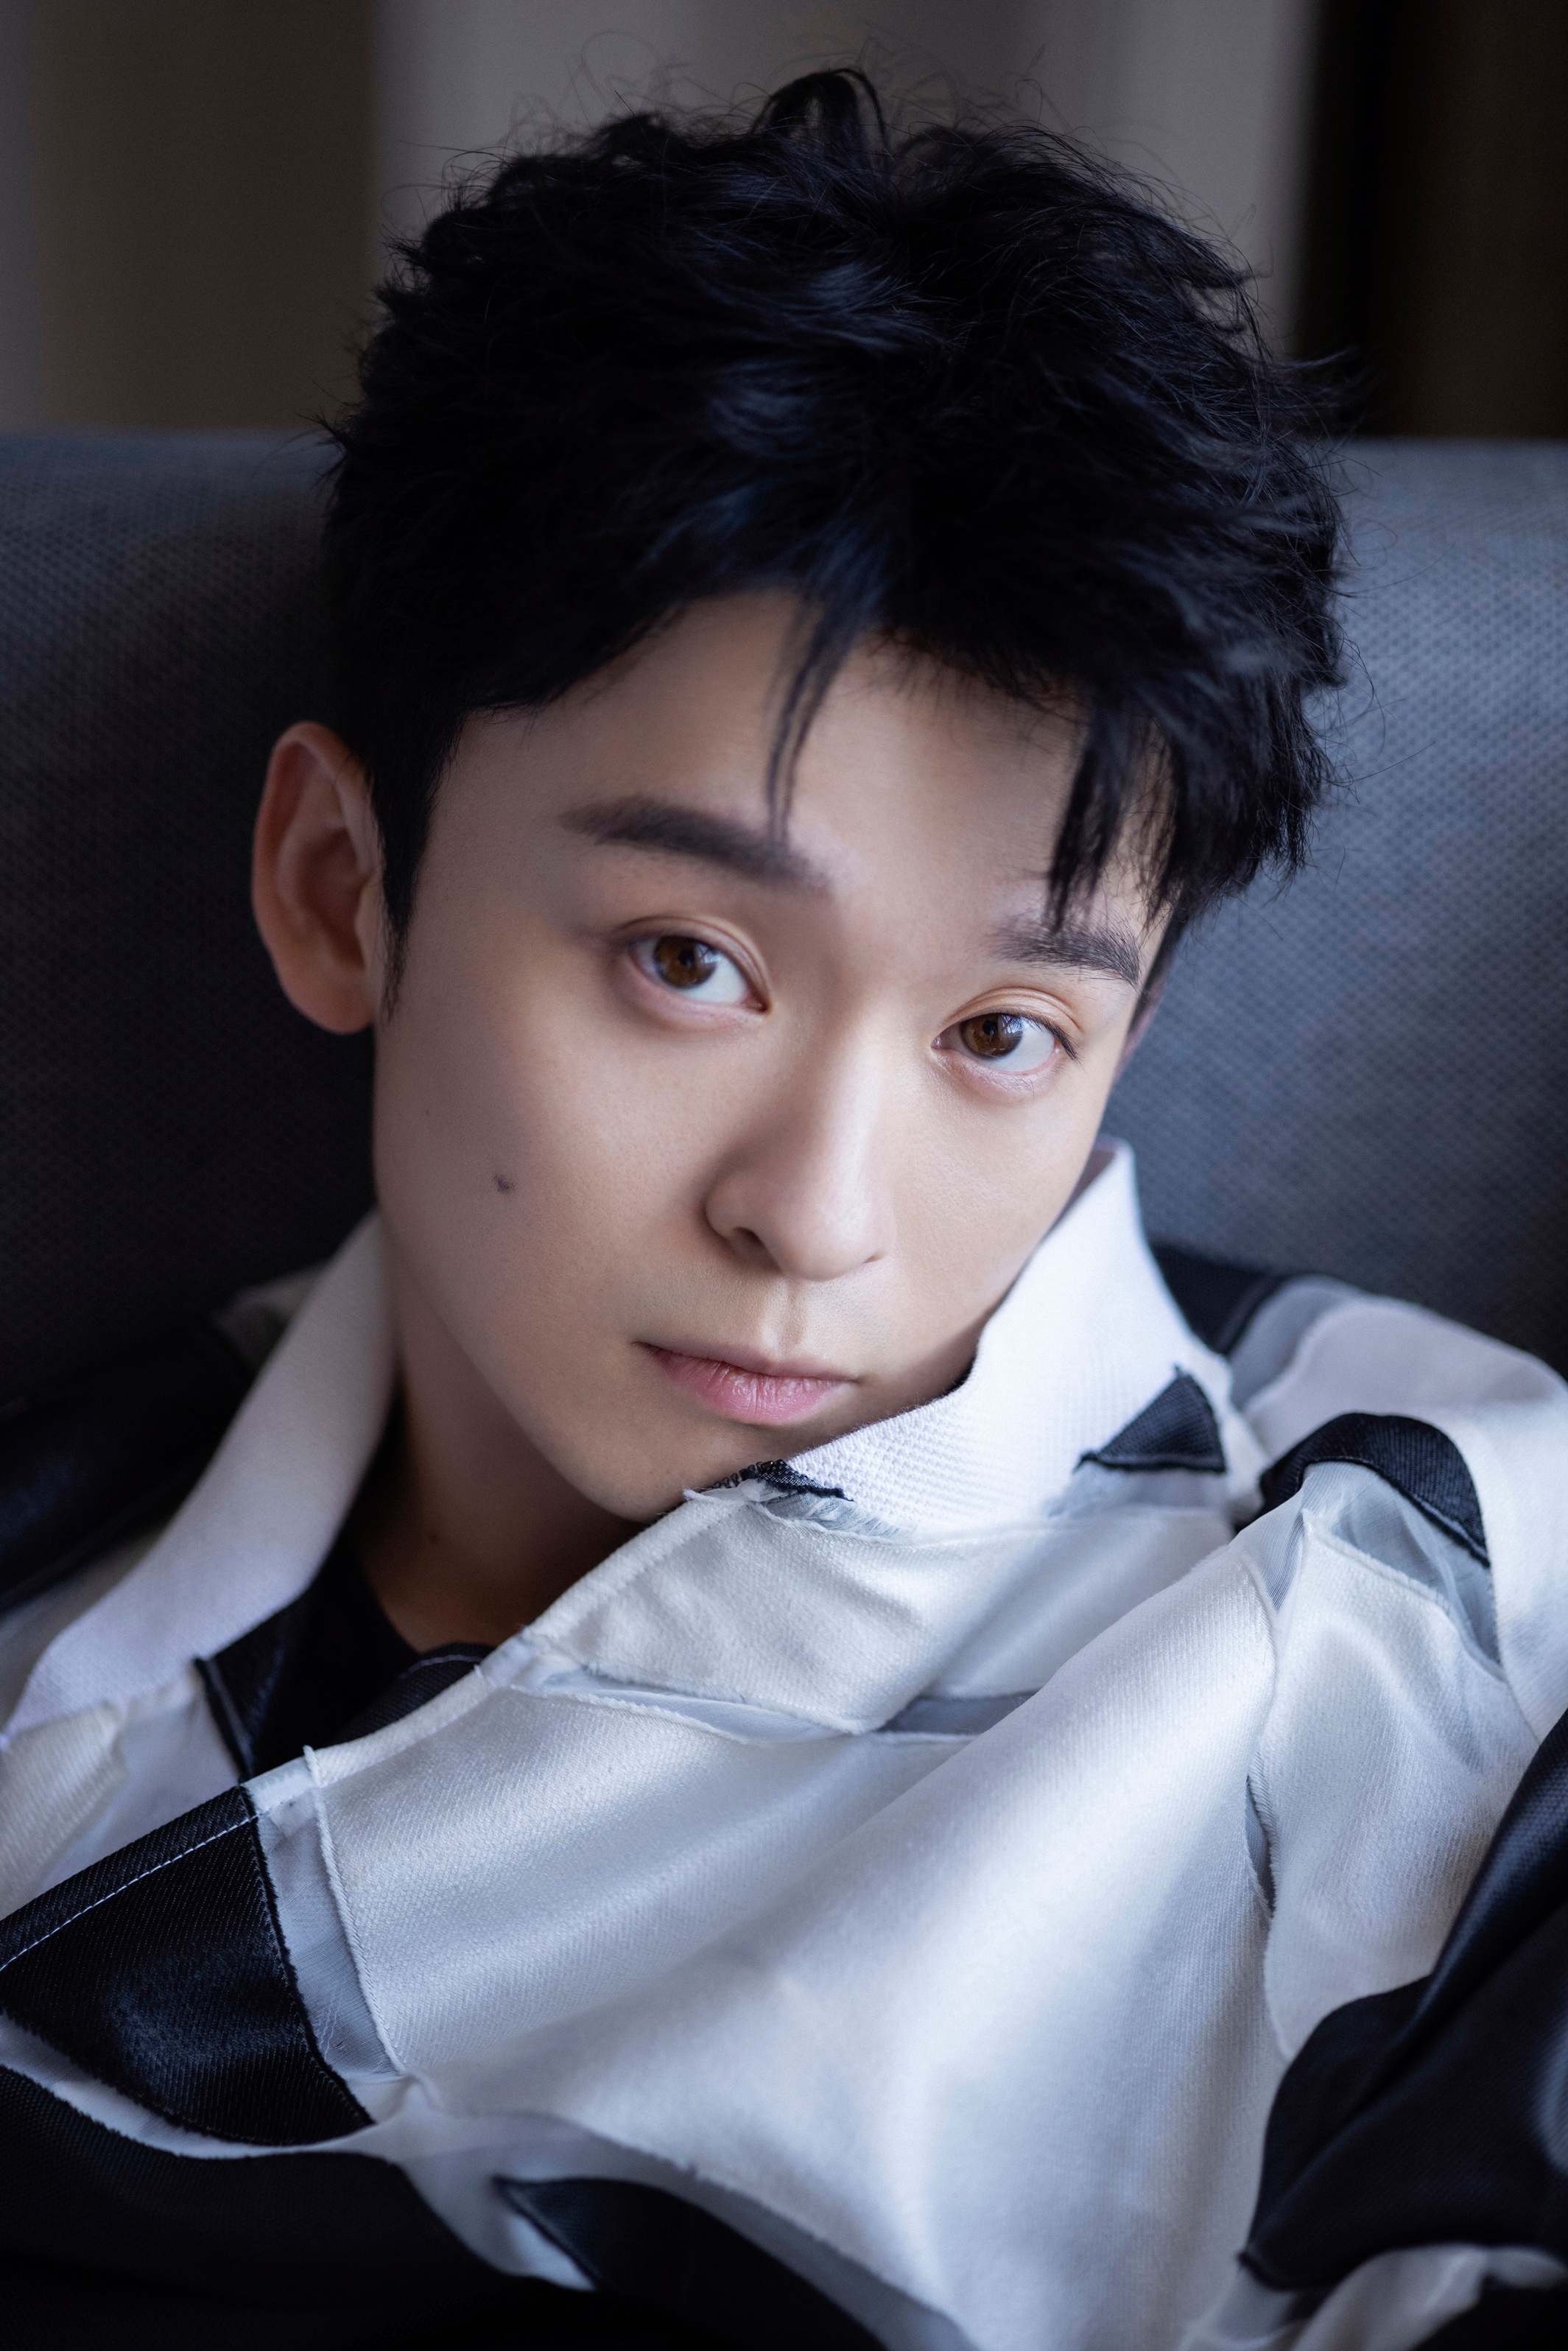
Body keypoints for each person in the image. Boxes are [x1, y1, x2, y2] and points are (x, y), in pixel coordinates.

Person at [0, 69, 1564, 2351]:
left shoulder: (1446, 1601)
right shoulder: (51, 1587)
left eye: (999, 1031)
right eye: (688, 963)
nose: (817, 1219)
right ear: (345, 889)